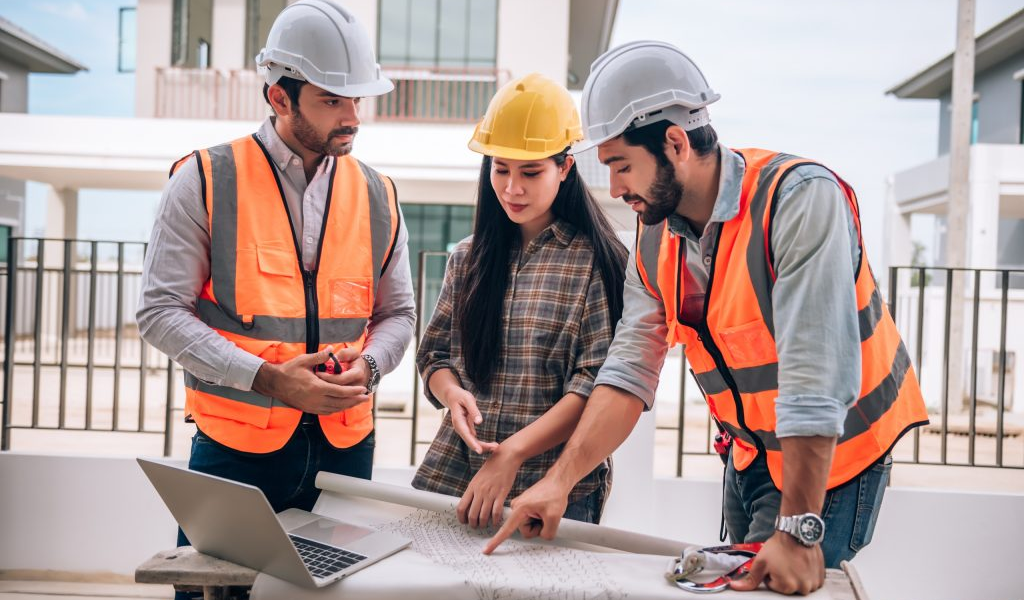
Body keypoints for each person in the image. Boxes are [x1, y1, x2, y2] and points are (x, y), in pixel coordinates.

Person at [485, 41, 929, 596]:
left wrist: (796, 530)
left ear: (675, 143)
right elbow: (627, 371)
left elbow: (814, 376)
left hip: (834, 460)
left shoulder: (798, 200)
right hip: (749, 458)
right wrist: (558, 482)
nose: (616, 189)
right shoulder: (654, 233)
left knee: (782, 582)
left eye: (623, 166)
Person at [136, 0, 414, 571]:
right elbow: (161, 311)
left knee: (336, 588)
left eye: (356, 98)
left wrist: (375, 367)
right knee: (216, 592)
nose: (352, 117)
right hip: (235, 453)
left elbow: (400, 314)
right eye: (332, 100)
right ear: (279, 97)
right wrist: (266, 379)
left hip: (346, 451)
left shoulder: (378, 193)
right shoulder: (205, 179)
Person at [412, 73, 628, 529]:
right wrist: (453, 396)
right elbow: (433, 355)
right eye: (500, 169)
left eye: (531, 172)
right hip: (459, 476)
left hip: (553, 489)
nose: (512, 188)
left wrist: (512, 452)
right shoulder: (468, 258)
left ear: (565, 168)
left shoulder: (596, 263)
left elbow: (593, 386)